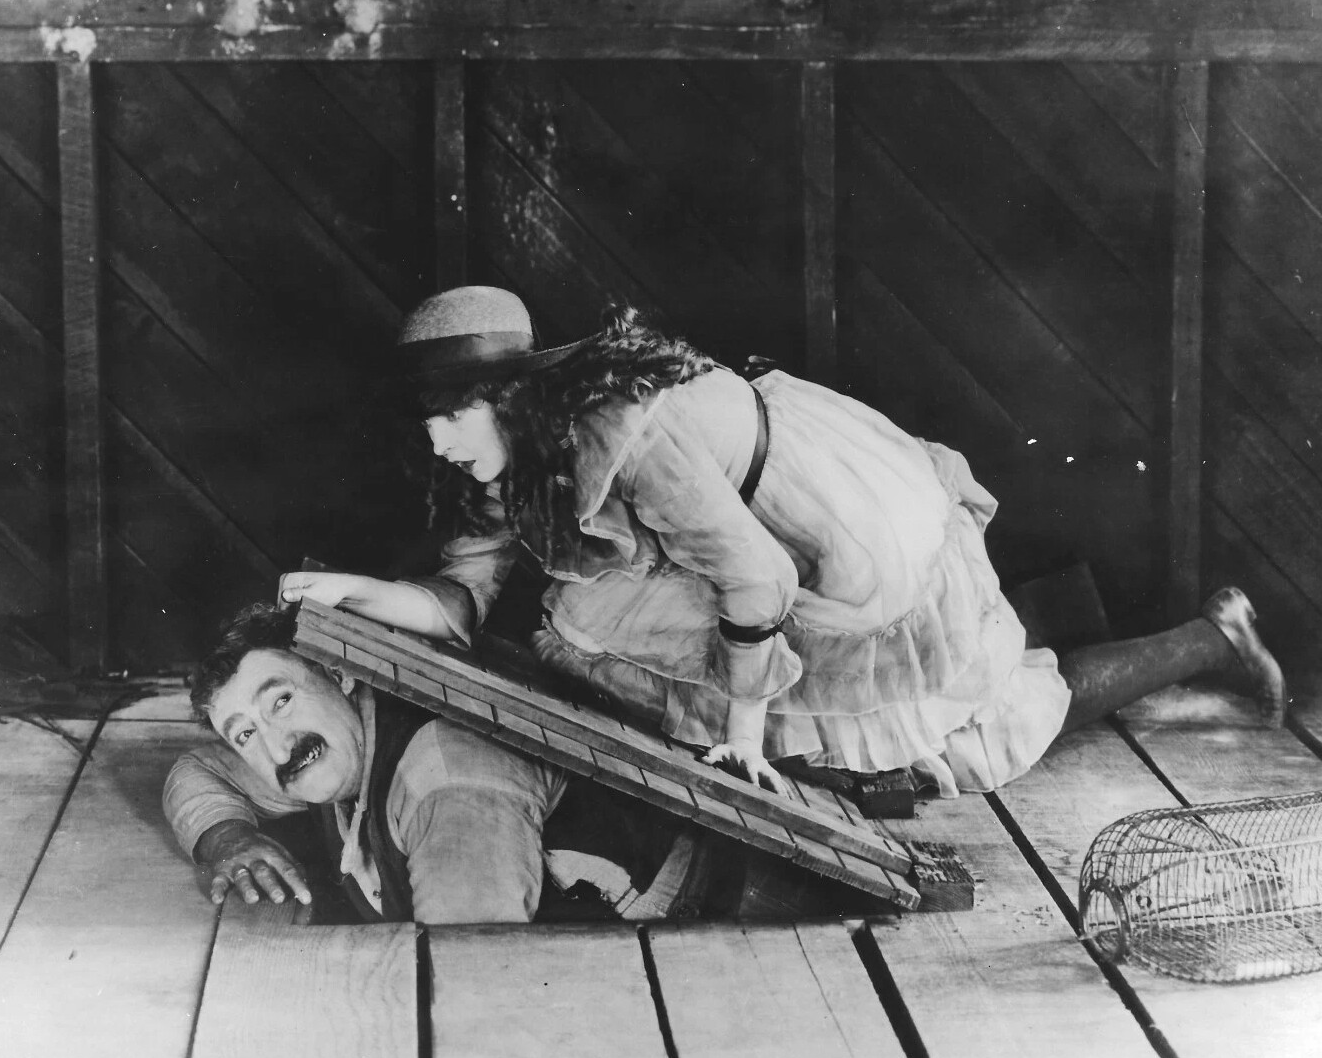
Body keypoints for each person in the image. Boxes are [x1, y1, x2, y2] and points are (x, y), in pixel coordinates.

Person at [270, 285, 1287, 802]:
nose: (439, 442)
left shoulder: (621, 431)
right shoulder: (512, 457)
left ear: (509, 395)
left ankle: (1205, 641)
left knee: (963, 734)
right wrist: (354, 590)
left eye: (453, 414)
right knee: (959, 696)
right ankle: (1200, 639)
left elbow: (754, 581)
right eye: (429, 421)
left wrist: (745, 738)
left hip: (835, 522)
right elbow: (463, 596)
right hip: (764, 537)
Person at [165, 602, 715, 924]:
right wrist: (229, 838)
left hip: (691, 935)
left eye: (281, 701)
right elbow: (196, 771)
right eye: (244, 733)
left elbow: (472, 985)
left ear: (338, 673)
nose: (277, 748)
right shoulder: (324, 744)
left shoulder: (444, 781)